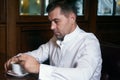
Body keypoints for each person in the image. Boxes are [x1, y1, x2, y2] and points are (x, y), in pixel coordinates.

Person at [4, 0, 102, 80]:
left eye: (56, 21)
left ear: (72, 18)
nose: (51, 27)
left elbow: (83, 75)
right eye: (51, 22)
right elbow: (37, 54)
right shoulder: (55, 39)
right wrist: (17, 58)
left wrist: (39, 68)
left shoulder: (89, 41)